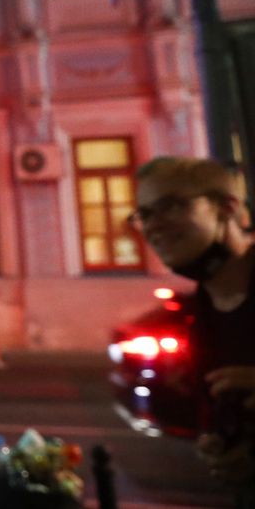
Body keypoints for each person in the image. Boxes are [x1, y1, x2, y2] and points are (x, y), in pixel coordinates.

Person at [133, 157, 255, 506]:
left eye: (170, 206)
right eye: (145, 215)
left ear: (226, 207)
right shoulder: (200, 312)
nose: (154, 226)